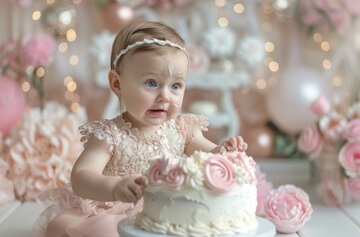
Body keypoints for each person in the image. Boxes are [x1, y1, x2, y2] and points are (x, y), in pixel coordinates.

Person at [32, 20, 247, 237]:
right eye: (151, 83)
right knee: (94, 230)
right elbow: (81, 177)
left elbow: (207, 156)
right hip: (115, 209)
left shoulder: (184, 128)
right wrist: (115, 187)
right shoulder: (110, 135)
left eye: (175, 86)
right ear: (117, 84)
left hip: (166, 209)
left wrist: (223, 151)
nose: (165, 96)